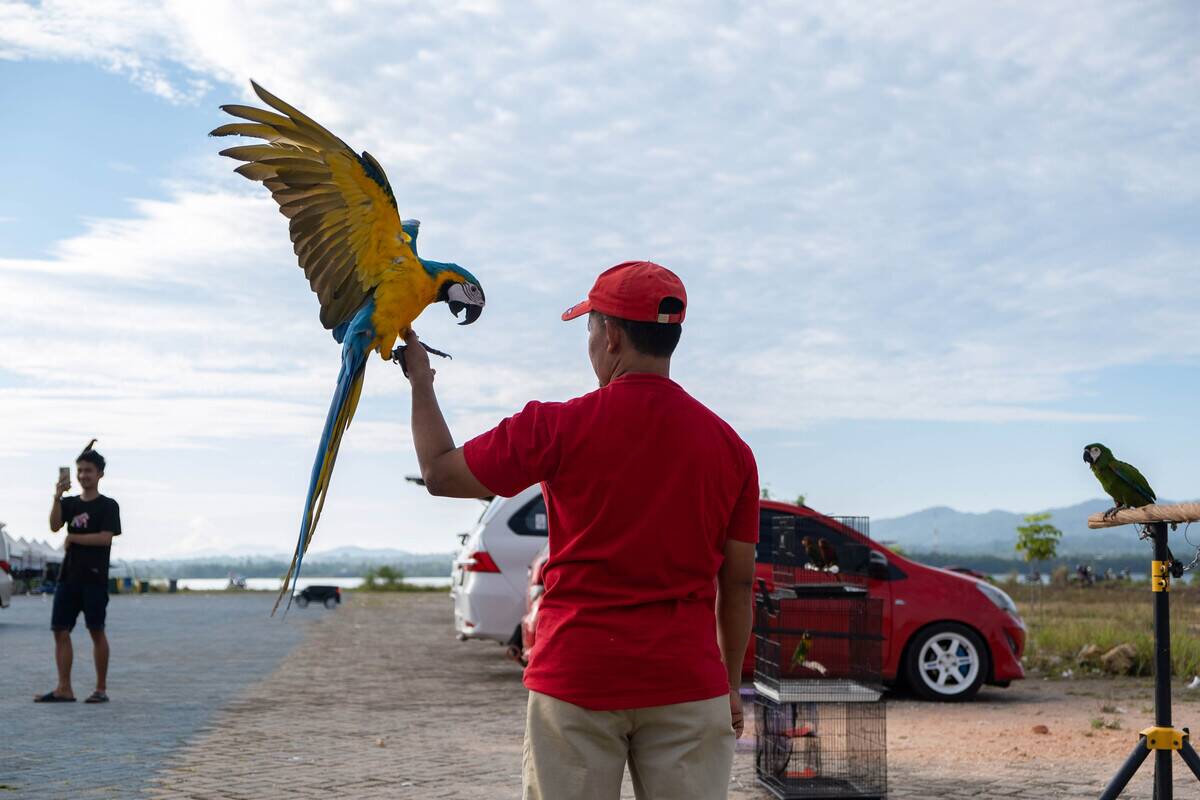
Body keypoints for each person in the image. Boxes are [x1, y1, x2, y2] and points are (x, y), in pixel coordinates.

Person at [404, 261, 759, 800]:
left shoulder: (556, 427)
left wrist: (421, 382)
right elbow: (735, 585)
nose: (590, 341)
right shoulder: (731, 450)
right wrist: (729, 685)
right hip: (689, 683)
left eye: (589, 327)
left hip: (578, 678)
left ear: (611, 335)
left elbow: (439, 472)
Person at [37, 443, 121, 703]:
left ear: (100, 474)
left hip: (94, 578)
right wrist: (57, 497)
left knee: (96, 631)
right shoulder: (70, 504)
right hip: (68, 578)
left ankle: (101, 689)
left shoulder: (108, 506)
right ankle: (64, 688)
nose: (84, 475)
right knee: (60, 631)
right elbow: (53, 526)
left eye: (89, 470)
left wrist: (74, 537)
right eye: (80, 470)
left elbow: (106, 539)